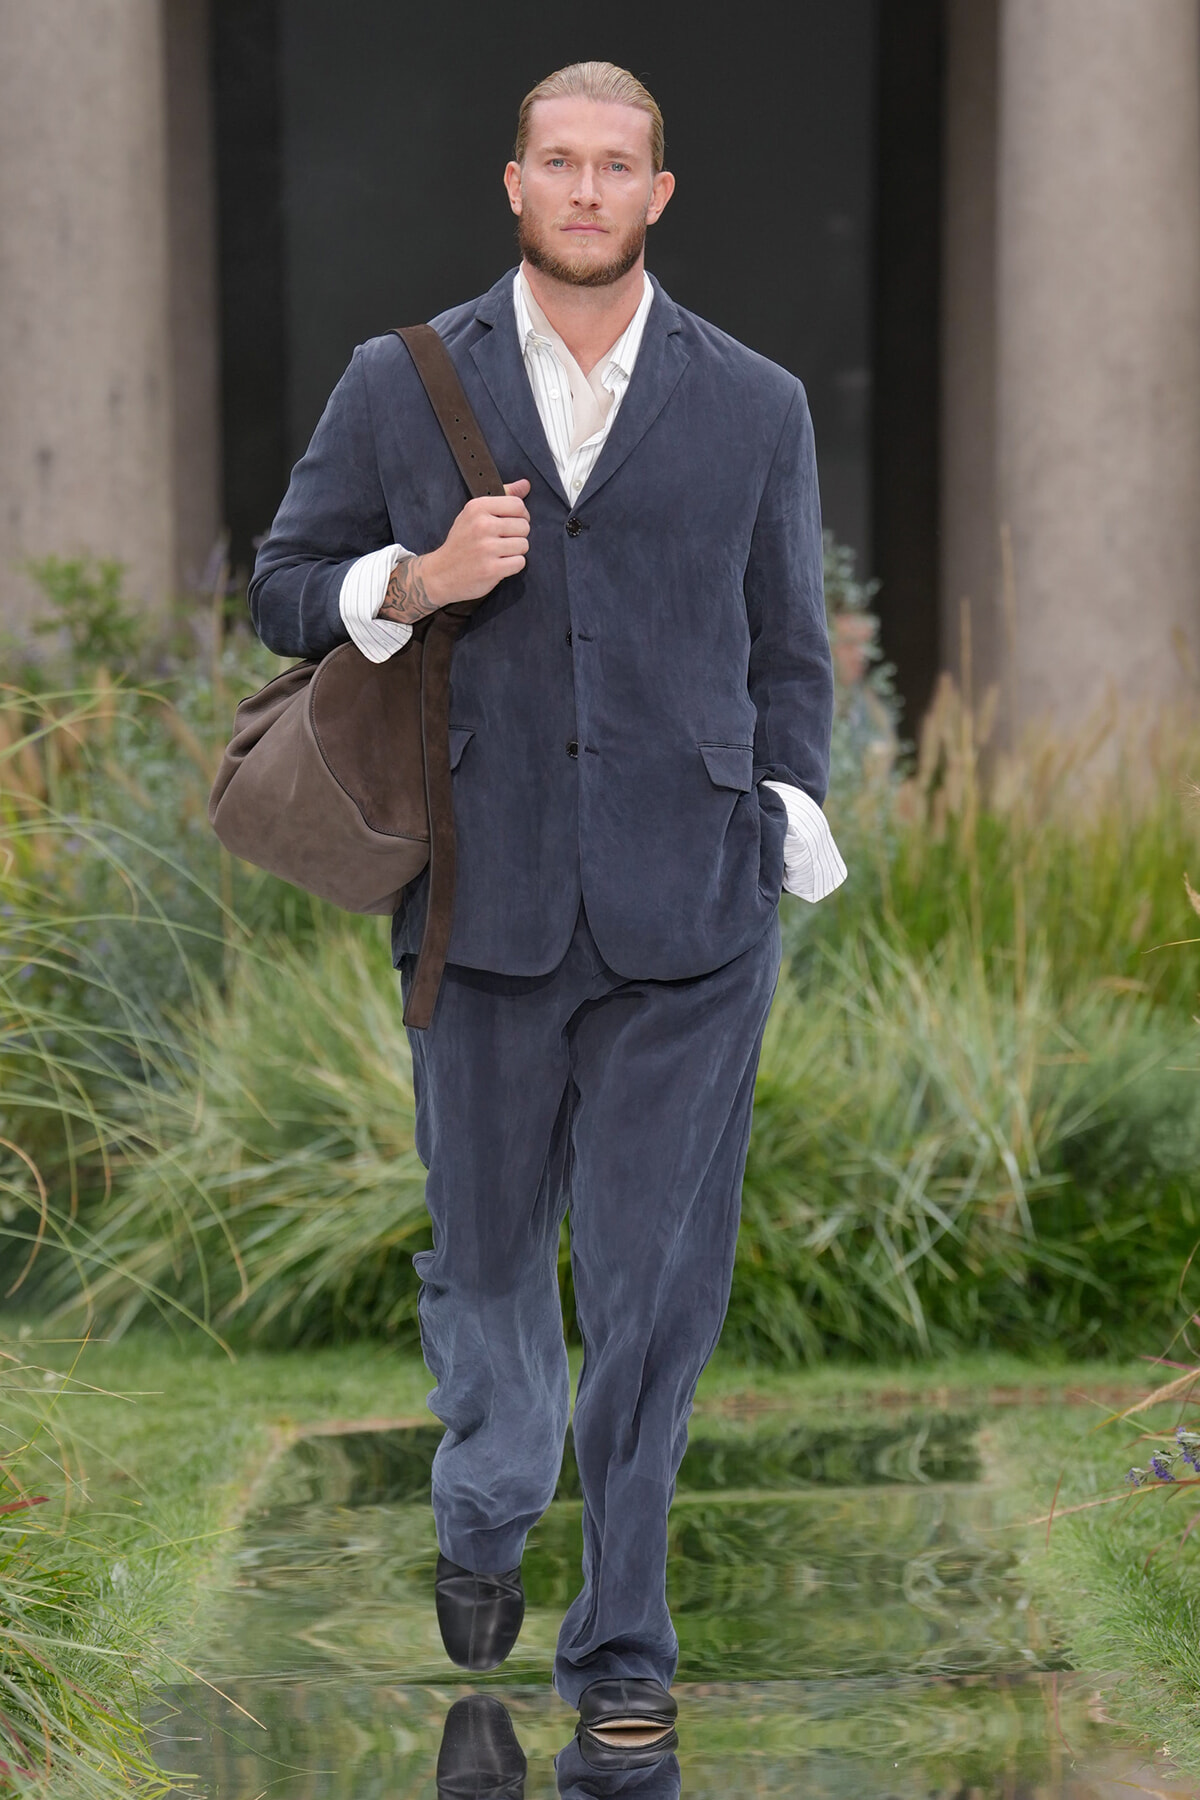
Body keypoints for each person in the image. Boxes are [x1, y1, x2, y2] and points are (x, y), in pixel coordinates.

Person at [249, 59, 846, 1769]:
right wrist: (417, 582)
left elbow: (788, 650)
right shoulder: (400, 382)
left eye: (619, 167)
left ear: (661, 193)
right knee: (496, 1272)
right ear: (515, 184)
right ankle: (490, 1497)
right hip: (480, 912)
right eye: (560, 163)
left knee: (658, 1298)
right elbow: (282, 586)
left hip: (695, 927)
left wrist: (782, 818)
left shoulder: (758, 405)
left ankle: (624, 1646)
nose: (587, 191)